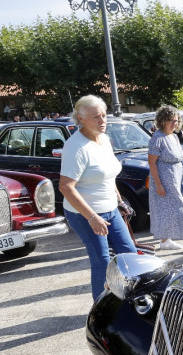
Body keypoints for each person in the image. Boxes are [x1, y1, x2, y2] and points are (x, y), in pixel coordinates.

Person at [59, 95, 136, 299]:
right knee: (101, 261)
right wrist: (92, 217)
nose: (102, 121)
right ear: (81, 119)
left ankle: (131, 299)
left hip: (110, 209)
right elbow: (66, 187)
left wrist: (119, 201)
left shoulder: (104, 140)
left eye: (103, 115)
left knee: (129, 254)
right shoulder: (76, 147)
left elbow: (109, 176)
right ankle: (100, 309)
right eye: (96, 117)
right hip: (84, 213)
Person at [147, 105, 183, 253]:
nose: (174, 123)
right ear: (162, 121)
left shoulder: (173, 136)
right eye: (170, 120)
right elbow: (152, 163)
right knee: (181, 207)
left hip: (174, 178)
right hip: (164, 180)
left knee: (167, 210)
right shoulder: (157, 138)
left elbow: (177, 156)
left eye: (176, 120)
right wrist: (158, 185)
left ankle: (165, 241)